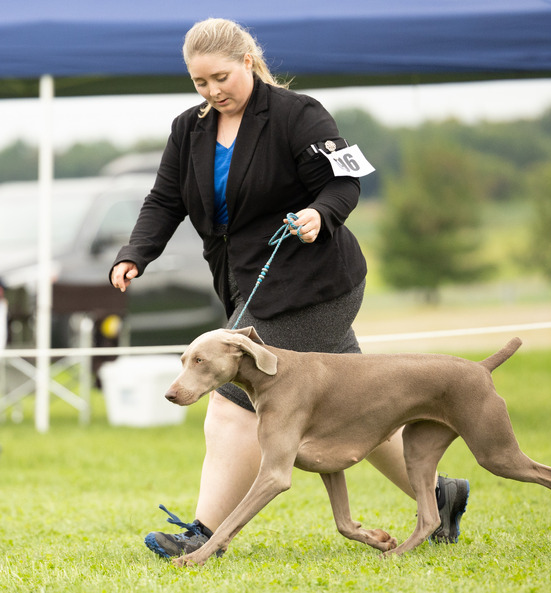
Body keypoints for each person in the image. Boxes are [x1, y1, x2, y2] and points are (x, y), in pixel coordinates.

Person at [110, 17, 470, 558]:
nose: (211, 92)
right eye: (199, 82)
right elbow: (164, 201)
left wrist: (320, 214)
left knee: (233, 393)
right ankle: (440, 496)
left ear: (249, 62)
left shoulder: (298, 115)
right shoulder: (189, 129)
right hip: (245, 284)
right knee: (362, 405)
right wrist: (135, 253)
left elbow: (343, 182)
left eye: (221, 78)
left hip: (315, 282)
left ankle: (205, 533)